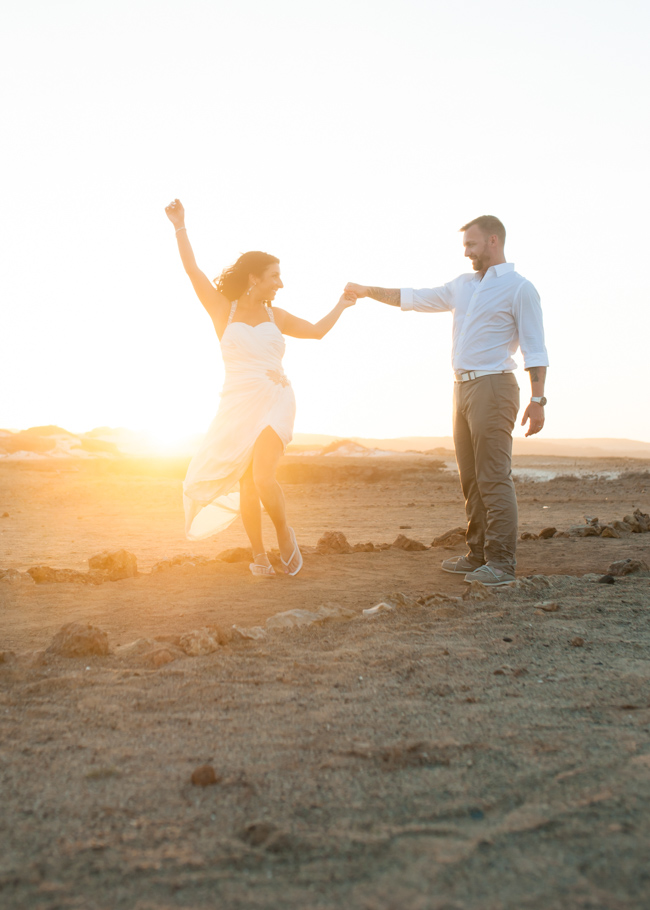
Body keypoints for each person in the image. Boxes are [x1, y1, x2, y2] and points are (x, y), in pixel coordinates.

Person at [345, 215, 549, 586]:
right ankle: (477, 555)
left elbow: (535, 348)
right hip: (462, 388)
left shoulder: (520, 288)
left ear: (492, 240)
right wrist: (366, 290)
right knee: (470, 478)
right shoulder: (462, 286)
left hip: (494, 385)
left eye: (471, 245)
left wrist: (539, 399)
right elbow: (414, 298)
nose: (467, 253)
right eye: (464, 247)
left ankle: (501, 564)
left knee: (493, 477)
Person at [165, 198, 355, 577]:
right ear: (254, 278)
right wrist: (179, 225)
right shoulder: (223, 311)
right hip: (237, 404)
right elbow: (192, 270)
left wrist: (342, 304)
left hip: (275, 397)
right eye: (274, 275)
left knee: (263, 475)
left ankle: (285, 533)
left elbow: (316, 332)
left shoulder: (276, 316)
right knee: (247, 483)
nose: (280, 283)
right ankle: (258, 554)